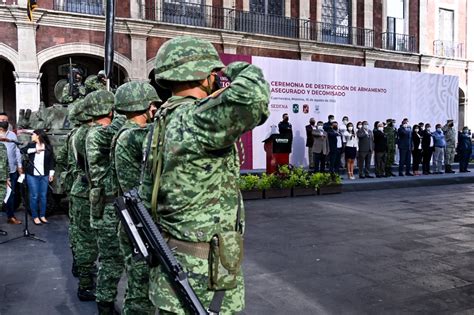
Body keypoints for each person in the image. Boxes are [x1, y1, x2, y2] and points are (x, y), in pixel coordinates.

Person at [139, 36, 270, 314]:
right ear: (206, 76)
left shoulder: (161, 121)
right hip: (204, 276)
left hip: (172, 266)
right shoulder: (195, 119)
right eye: (213, 73)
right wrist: (233, 69)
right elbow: (253, 98)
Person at [112, 81, 160, 315]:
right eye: (153, 105)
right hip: (140, 219)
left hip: (132, 216)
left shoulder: (124, 132)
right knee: (141, 287)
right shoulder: (136, 135)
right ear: (146, 106)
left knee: (137, 281)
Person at [84, 90, 126, 314]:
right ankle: (105, 305)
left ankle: (105, 301)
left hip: (107, 204)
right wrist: (126, 107)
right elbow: (117, 127)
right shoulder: (97, 134)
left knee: (112, 258)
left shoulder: (91, 132)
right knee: (112, 259)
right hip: (108, 207)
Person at [70, 98, 98, 301]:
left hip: (78, 186)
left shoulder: (75, 133)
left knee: (80, 236)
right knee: (88, 241)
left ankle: (80, 268)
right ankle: (86, 285)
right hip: (87, 190)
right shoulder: (87, 134)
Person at [22, 129, 55, 225]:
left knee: (43, 196)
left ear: (38, 136)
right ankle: (35, 216)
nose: (32, 136)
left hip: (44, 175)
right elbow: (22, 151)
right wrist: (35, 150)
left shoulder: (48, 147)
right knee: (34, 196)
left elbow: (51, 161)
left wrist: (51, 174)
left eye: (33, 134)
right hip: (32, 175)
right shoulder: (31, 145)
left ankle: (42, 216)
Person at [0, 113, 22, 224]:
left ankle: (10, 216)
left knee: (11, 194)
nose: (4, 121)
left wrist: (20, 166)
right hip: (0, 172)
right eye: (1, 120)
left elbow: (17, 151)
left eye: (5, 120)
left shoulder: (12, 135)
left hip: (12, 170)